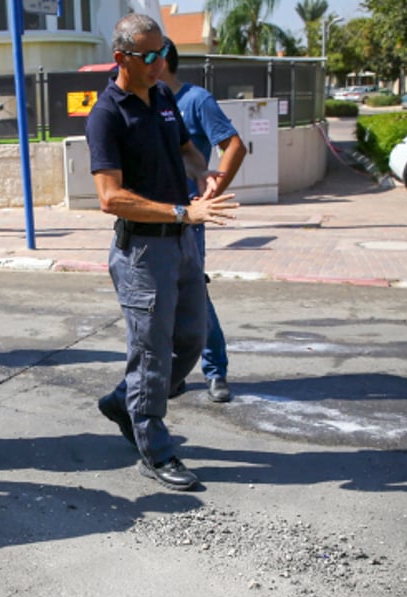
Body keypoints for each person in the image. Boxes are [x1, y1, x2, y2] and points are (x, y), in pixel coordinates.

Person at [85, 15, 238, 490]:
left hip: (182, 243)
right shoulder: (107, 114)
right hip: (143, 253)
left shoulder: (165, 98)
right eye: (148, 56)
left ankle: (122, 401)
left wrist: (204, 175)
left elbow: (189, 150)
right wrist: (180, 213)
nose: (158, 63)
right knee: (150, 355)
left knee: (191, 338)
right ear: (121, 58)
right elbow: (109, 197)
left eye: (162, 53)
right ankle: (154, 450)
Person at [160, 37, 246, 404]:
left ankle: (215, 370)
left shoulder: (196, 100)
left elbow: (234, 145)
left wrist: (212, 190)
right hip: (154, 215)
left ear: (161, 60)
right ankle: (174, 375)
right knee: (162, 299)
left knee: (194, 294)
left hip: (190, 216)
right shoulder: (148, 103)